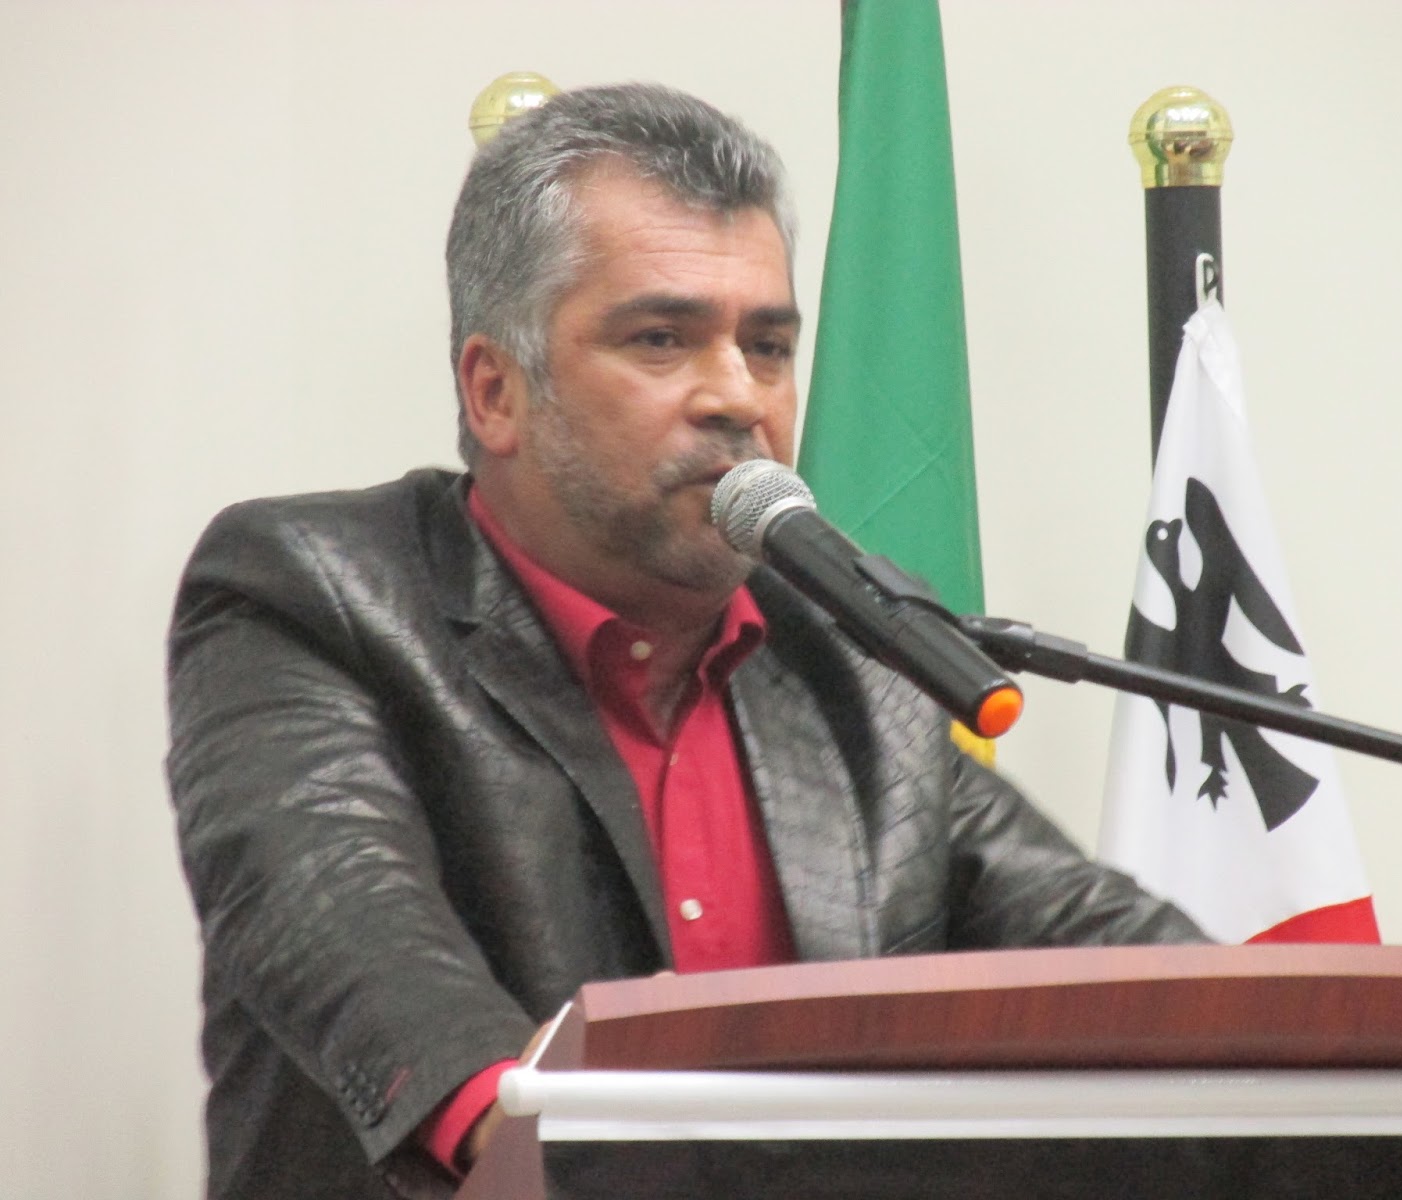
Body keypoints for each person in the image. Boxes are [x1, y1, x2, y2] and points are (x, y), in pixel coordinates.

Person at [166, 82, 1205, 1200]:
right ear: (495, 392)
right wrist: (530, 1127)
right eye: (662, 340)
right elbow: (346, 922)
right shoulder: (311, 593)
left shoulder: (850, 657)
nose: (737, 397)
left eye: (768, 346)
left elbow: (1117, 962)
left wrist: (1301, 1050)